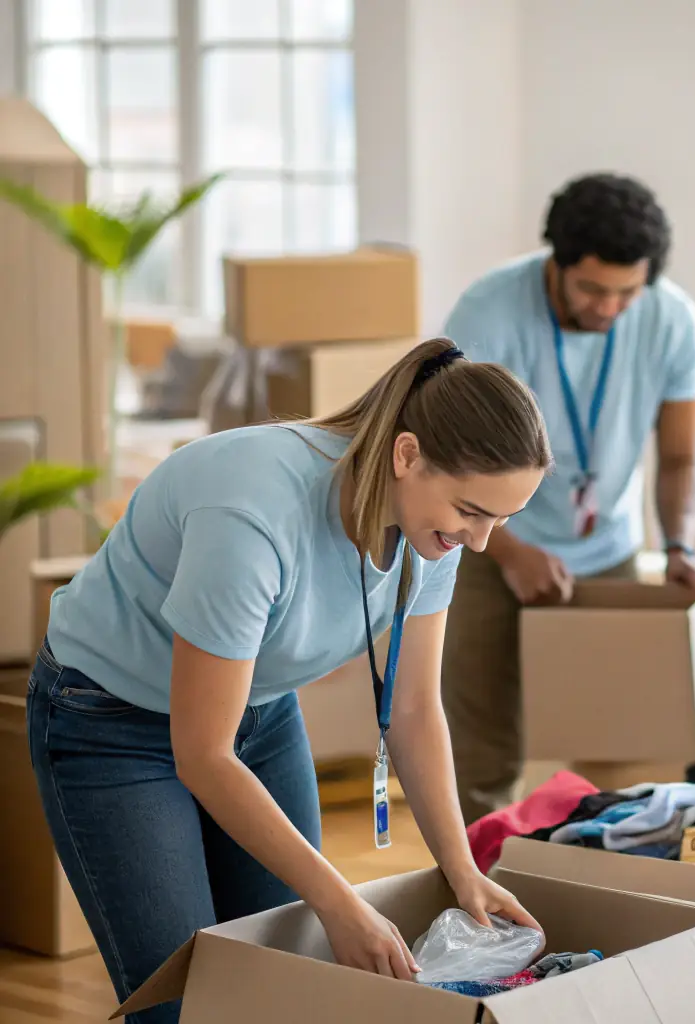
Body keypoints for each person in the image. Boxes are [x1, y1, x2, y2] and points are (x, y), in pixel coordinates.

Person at [27, 340, 552, 1023]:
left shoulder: (435, 527)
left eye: (501, 520)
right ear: (406, 456)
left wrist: (460, 868)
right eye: (473, 513)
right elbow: (204, 754)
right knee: (183, 1004)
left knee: (283, 980)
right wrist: (342, 901)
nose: (481, 541)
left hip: (259, 712)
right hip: (109, 721)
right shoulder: (252, 514)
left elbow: (417, 709)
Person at [439, 172, 695, 822]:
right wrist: (510, 550)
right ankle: (471, 884)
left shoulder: (672, 319)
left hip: (604, 544)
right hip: (484, 542)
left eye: (626, 291)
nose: (608, 307)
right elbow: (447, 465)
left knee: (610, 741)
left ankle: (594, 875)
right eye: (591, 288)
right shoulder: (488, 313)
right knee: (480, 743)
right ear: (554, 263)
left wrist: (679, 543)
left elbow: (678, 458)